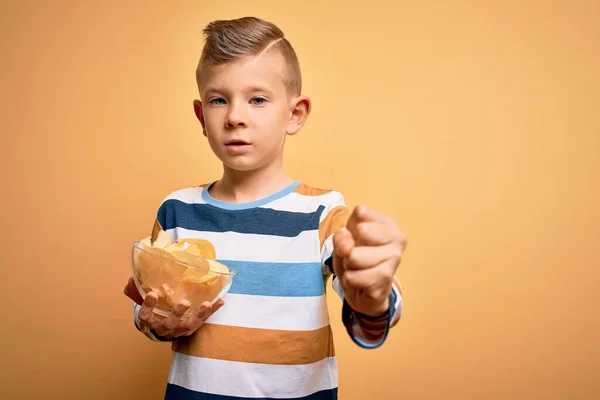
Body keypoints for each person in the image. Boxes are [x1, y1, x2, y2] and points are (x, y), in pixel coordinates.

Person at [124, 16, 407, 400]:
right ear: (201, 117)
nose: (235, 117)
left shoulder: (322, 215)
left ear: (295, 114)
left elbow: (371, 316)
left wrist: (371, 301)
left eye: (257, 99)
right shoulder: (176, 211)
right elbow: (154, 313)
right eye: (218, 100)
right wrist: (154, 322)